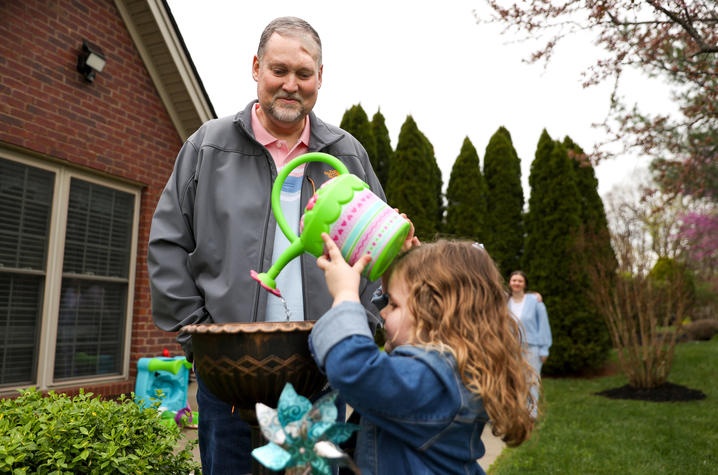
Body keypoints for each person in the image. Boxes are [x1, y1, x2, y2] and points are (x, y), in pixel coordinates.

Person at [147, 17, 384, 474]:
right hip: (230, 379)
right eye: (279, 70)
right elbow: (167, 245)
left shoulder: (346, 155)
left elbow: (375, 254)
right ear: (256, 68)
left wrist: (360, 332)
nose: (290, 85)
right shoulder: (206, 147)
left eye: (303, 73)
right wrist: (202, 340)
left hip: (320, 374)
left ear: (320, 77)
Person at [310, 235, 535, 473]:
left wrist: (345, 295)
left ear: (433, 315)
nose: (383, 312)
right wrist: (399, 268)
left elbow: (354, 369)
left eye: (393, 305)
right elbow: (403, 324)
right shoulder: (452, 366)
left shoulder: (433, 382)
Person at [507, 270, 552, 417]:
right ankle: (514, 411)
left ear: (524, 284)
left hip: (531, 347)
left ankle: (531, 413)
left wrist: (544, 349)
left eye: (520, 281)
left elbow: (543, 325)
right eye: (514, 280)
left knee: (531, 380)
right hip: (510, 347)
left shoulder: (535, 301)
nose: (517, 283)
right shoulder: (504, 301)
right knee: (511, 379)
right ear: (509, 283)